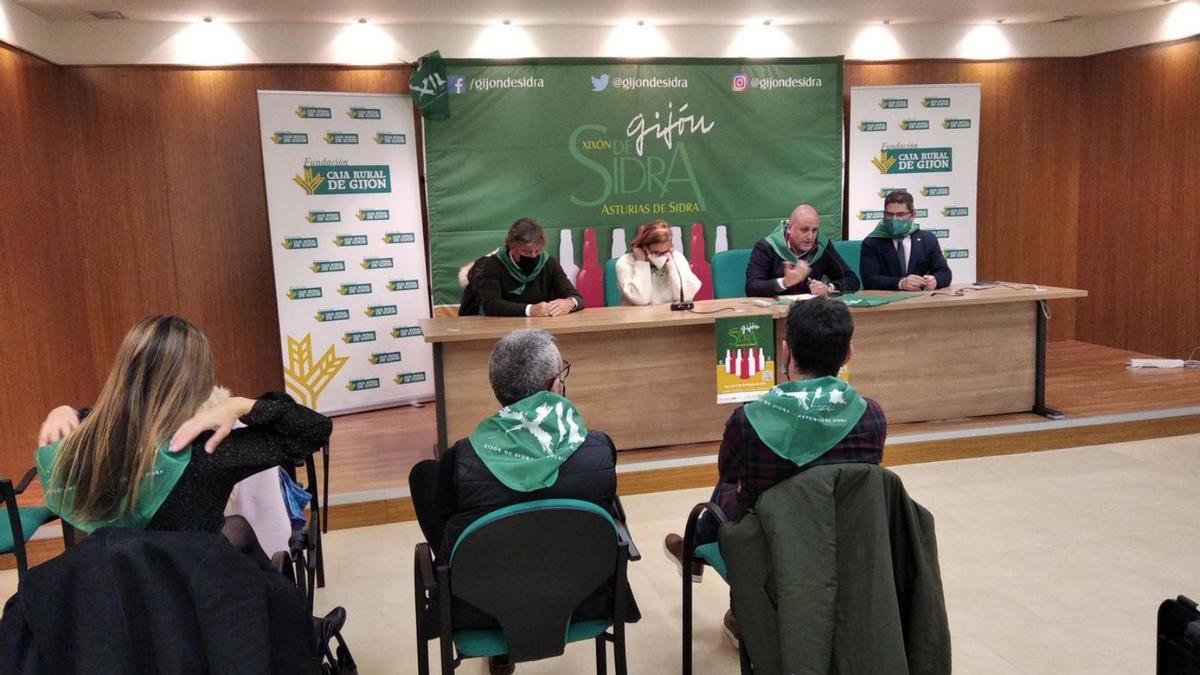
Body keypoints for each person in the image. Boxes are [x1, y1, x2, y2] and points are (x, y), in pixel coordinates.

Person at [662, 298, 886, 644]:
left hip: (767, 553)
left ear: (785, 352)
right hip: (845, 543)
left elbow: (731, 476)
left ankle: (729, 592)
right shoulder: (871, 416)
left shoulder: (748, 420)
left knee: (729, 489)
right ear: (848, 354)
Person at [34, 314, 332, 566]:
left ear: (124, 373)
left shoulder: (84, 447)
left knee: (236, 527)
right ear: (200, 383)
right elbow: (314, 429)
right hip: (197, 606)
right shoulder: (213, 449)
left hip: (113, 603)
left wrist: (64, 410)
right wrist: (240, 405)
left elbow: (98, 419)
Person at [466, 218, 584, 317]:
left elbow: (576, 296)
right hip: (505, 329)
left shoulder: (548, 262)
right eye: (527, 252)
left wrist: (570, 303)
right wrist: (530, 310)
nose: (533, 256)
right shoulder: (494, 264)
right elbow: (491, 305)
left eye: (538, 251)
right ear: (512, 247)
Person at [745, 204, 860, 297]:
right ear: (790, 228)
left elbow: (852, 279)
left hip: (811, 313)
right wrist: (785, 282)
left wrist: (829, 288)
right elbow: (752, 287)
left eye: (814, 230)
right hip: (776, 315)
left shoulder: (822, 246)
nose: (810, 237)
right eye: (804, 230)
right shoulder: (767, 247)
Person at [860, 189, 952, 291]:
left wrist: (935, 281)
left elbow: (944, 272)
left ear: (912, 215)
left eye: (900, 215)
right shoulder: (872, 242)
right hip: (887, 301)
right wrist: (900, 283)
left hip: (920, 300)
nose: (894, 220)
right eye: (889, 214)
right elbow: (869, 279)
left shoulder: (927, 239)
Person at [614, 220, 702, 305]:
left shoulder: (676, 257)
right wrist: (641, 262)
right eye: (656, 253)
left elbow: (686, 297)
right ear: (645, 247)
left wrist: (671, 263)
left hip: (671, 317)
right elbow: (640, 299)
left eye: (665, 251)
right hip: (639, 318)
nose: (661, 256)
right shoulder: (625, 263)